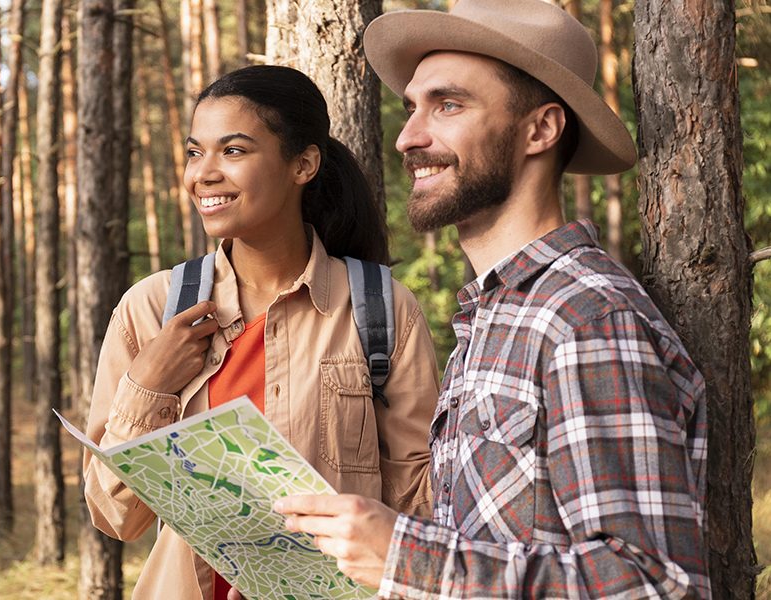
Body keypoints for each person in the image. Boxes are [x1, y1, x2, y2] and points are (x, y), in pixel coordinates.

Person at [273, 0, 711, 598]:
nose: (408, 137)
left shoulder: (585, 321)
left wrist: (406, 558)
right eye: (411, 109)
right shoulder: (494, 315)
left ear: (541, 129)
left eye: (448, 104)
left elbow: (657, 584)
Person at [81, 65, 441, 600]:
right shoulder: (152, 308)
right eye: (194, 152)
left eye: (233, 151)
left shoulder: (381, 309)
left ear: (303, 164)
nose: (203, 174)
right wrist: (148, 386)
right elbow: (115, 516)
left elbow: (419, 507)